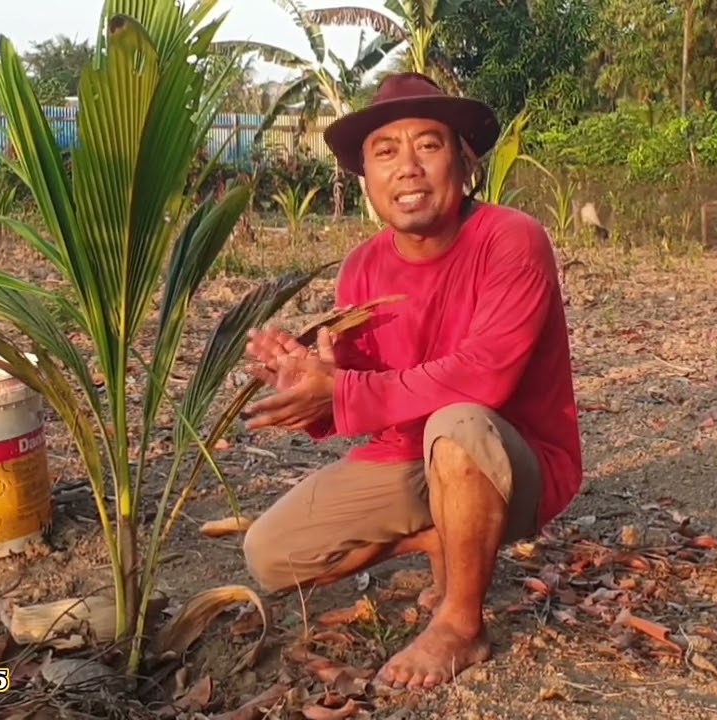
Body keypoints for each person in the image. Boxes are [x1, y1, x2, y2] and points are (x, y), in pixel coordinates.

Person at [237, 72, 583, 691]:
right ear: (365, 177)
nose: (408, 168)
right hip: (409, 457)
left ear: (463, 160)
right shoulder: (363, 266)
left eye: (428, 145)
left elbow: (486, 377)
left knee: (457, 420)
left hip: (509, 457)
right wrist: (311, 387)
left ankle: (460, 625)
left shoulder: (511, 238)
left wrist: (341, 392)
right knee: (271, 554)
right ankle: (441, 538)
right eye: (386, 151)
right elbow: (368, 393)